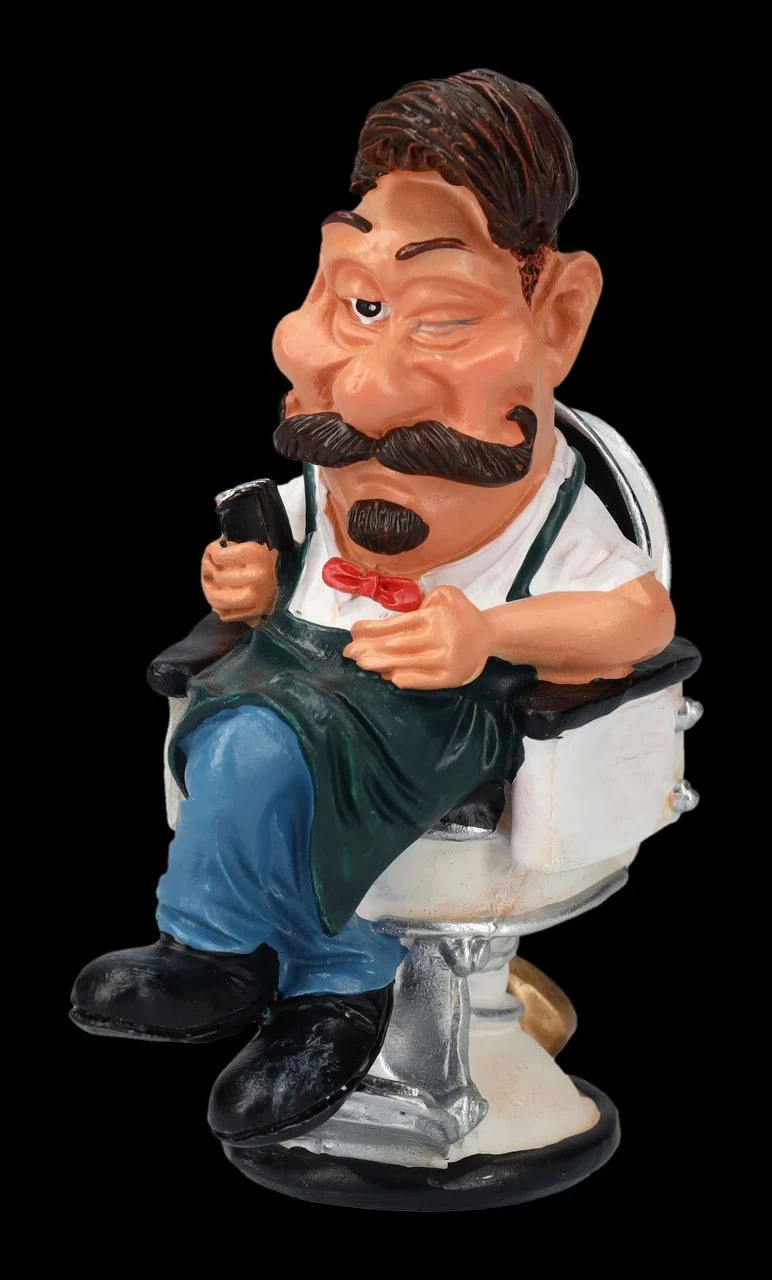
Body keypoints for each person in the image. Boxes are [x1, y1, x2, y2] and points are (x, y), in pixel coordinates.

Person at [70, 69, 675, 1151]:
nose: (366, 391)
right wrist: (246, 584)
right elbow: (274, 544)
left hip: (449, 712)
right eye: (359, 306)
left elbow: (637, 618)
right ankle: (298, 976)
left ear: (558, 316)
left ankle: (259, 960)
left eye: (439, 320)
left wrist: (488, 633)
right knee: (236, 727)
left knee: (260, 744)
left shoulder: (550, 518)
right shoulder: (330, 473)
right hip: (304, 669)